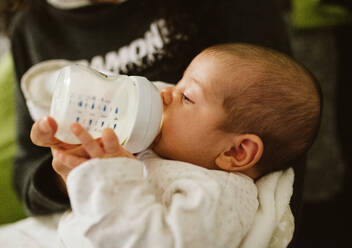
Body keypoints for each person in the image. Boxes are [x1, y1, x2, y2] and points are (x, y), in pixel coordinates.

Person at [1, 0, 292, 217]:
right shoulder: (32, 27)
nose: (164, 92)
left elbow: (277, 121)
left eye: (186, 95)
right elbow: (25, 171)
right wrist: (67, 177)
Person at [24, 43, 320, 247]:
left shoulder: (217, 197)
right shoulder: (172, 150)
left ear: (236, 152)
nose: (164, 94)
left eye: (187, 97)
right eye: (177, 84)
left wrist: (112, 176)